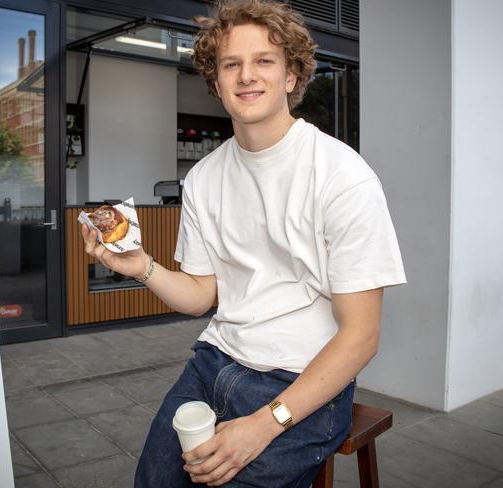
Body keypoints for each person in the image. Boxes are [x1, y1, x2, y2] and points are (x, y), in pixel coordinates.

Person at [80, 0, 406, 486]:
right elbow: (201, 296)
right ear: (215, 83)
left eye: (264, 61)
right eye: (231, 64)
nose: (246, 76)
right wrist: (142, 266)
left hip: (303, 380)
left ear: (292, 76)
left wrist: (264, 425)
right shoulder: (205, 177)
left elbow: (362, 336)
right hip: (216, 362)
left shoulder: (342, 177)